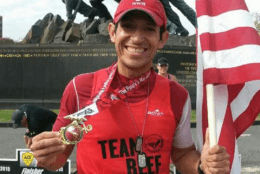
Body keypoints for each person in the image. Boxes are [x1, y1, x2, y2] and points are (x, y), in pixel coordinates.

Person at [30, 0, 230, 173]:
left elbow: (182, 153)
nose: (137, 37)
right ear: (112, 33)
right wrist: (45, 155)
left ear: (162, 39)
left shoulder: (176, 94)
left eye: (149, 29)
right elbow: (58, 157)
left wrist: (203, 167)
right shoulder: (80, 87)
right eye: (128, 26)